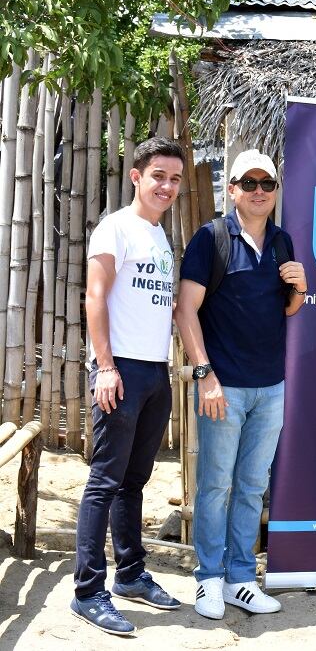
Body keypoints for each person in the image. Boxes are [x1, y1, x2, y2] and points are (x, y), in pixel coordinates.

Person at [174, 149, 307, 619]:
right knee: (214, 486)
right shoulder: (211, 239)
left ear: (274, 191)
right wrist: (205, 374)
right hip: (222, 386)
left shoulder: (282, 242)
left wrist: (300, 288)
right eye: (247, 182)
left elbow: (287, 309)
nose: (257, 191)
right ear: (231, 189)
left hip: (270, 387)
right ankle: (208, 579)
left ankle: (239, 579)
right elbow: (185, 309)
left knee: (252, 486)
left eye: (266, 183)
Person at [72, 137, 186, 636]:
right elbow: (95, 298)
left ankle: (132, 574)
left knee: (134, 481)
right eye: (158, 175)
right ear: (137, 176)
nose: (167, 186)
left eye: (176, 179)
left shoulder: (159, 237)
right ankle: (88, 591)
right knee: (103, 482)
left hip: (155, 372)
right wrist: (106, 366)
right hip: (120, 371)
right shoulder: (115, 228)